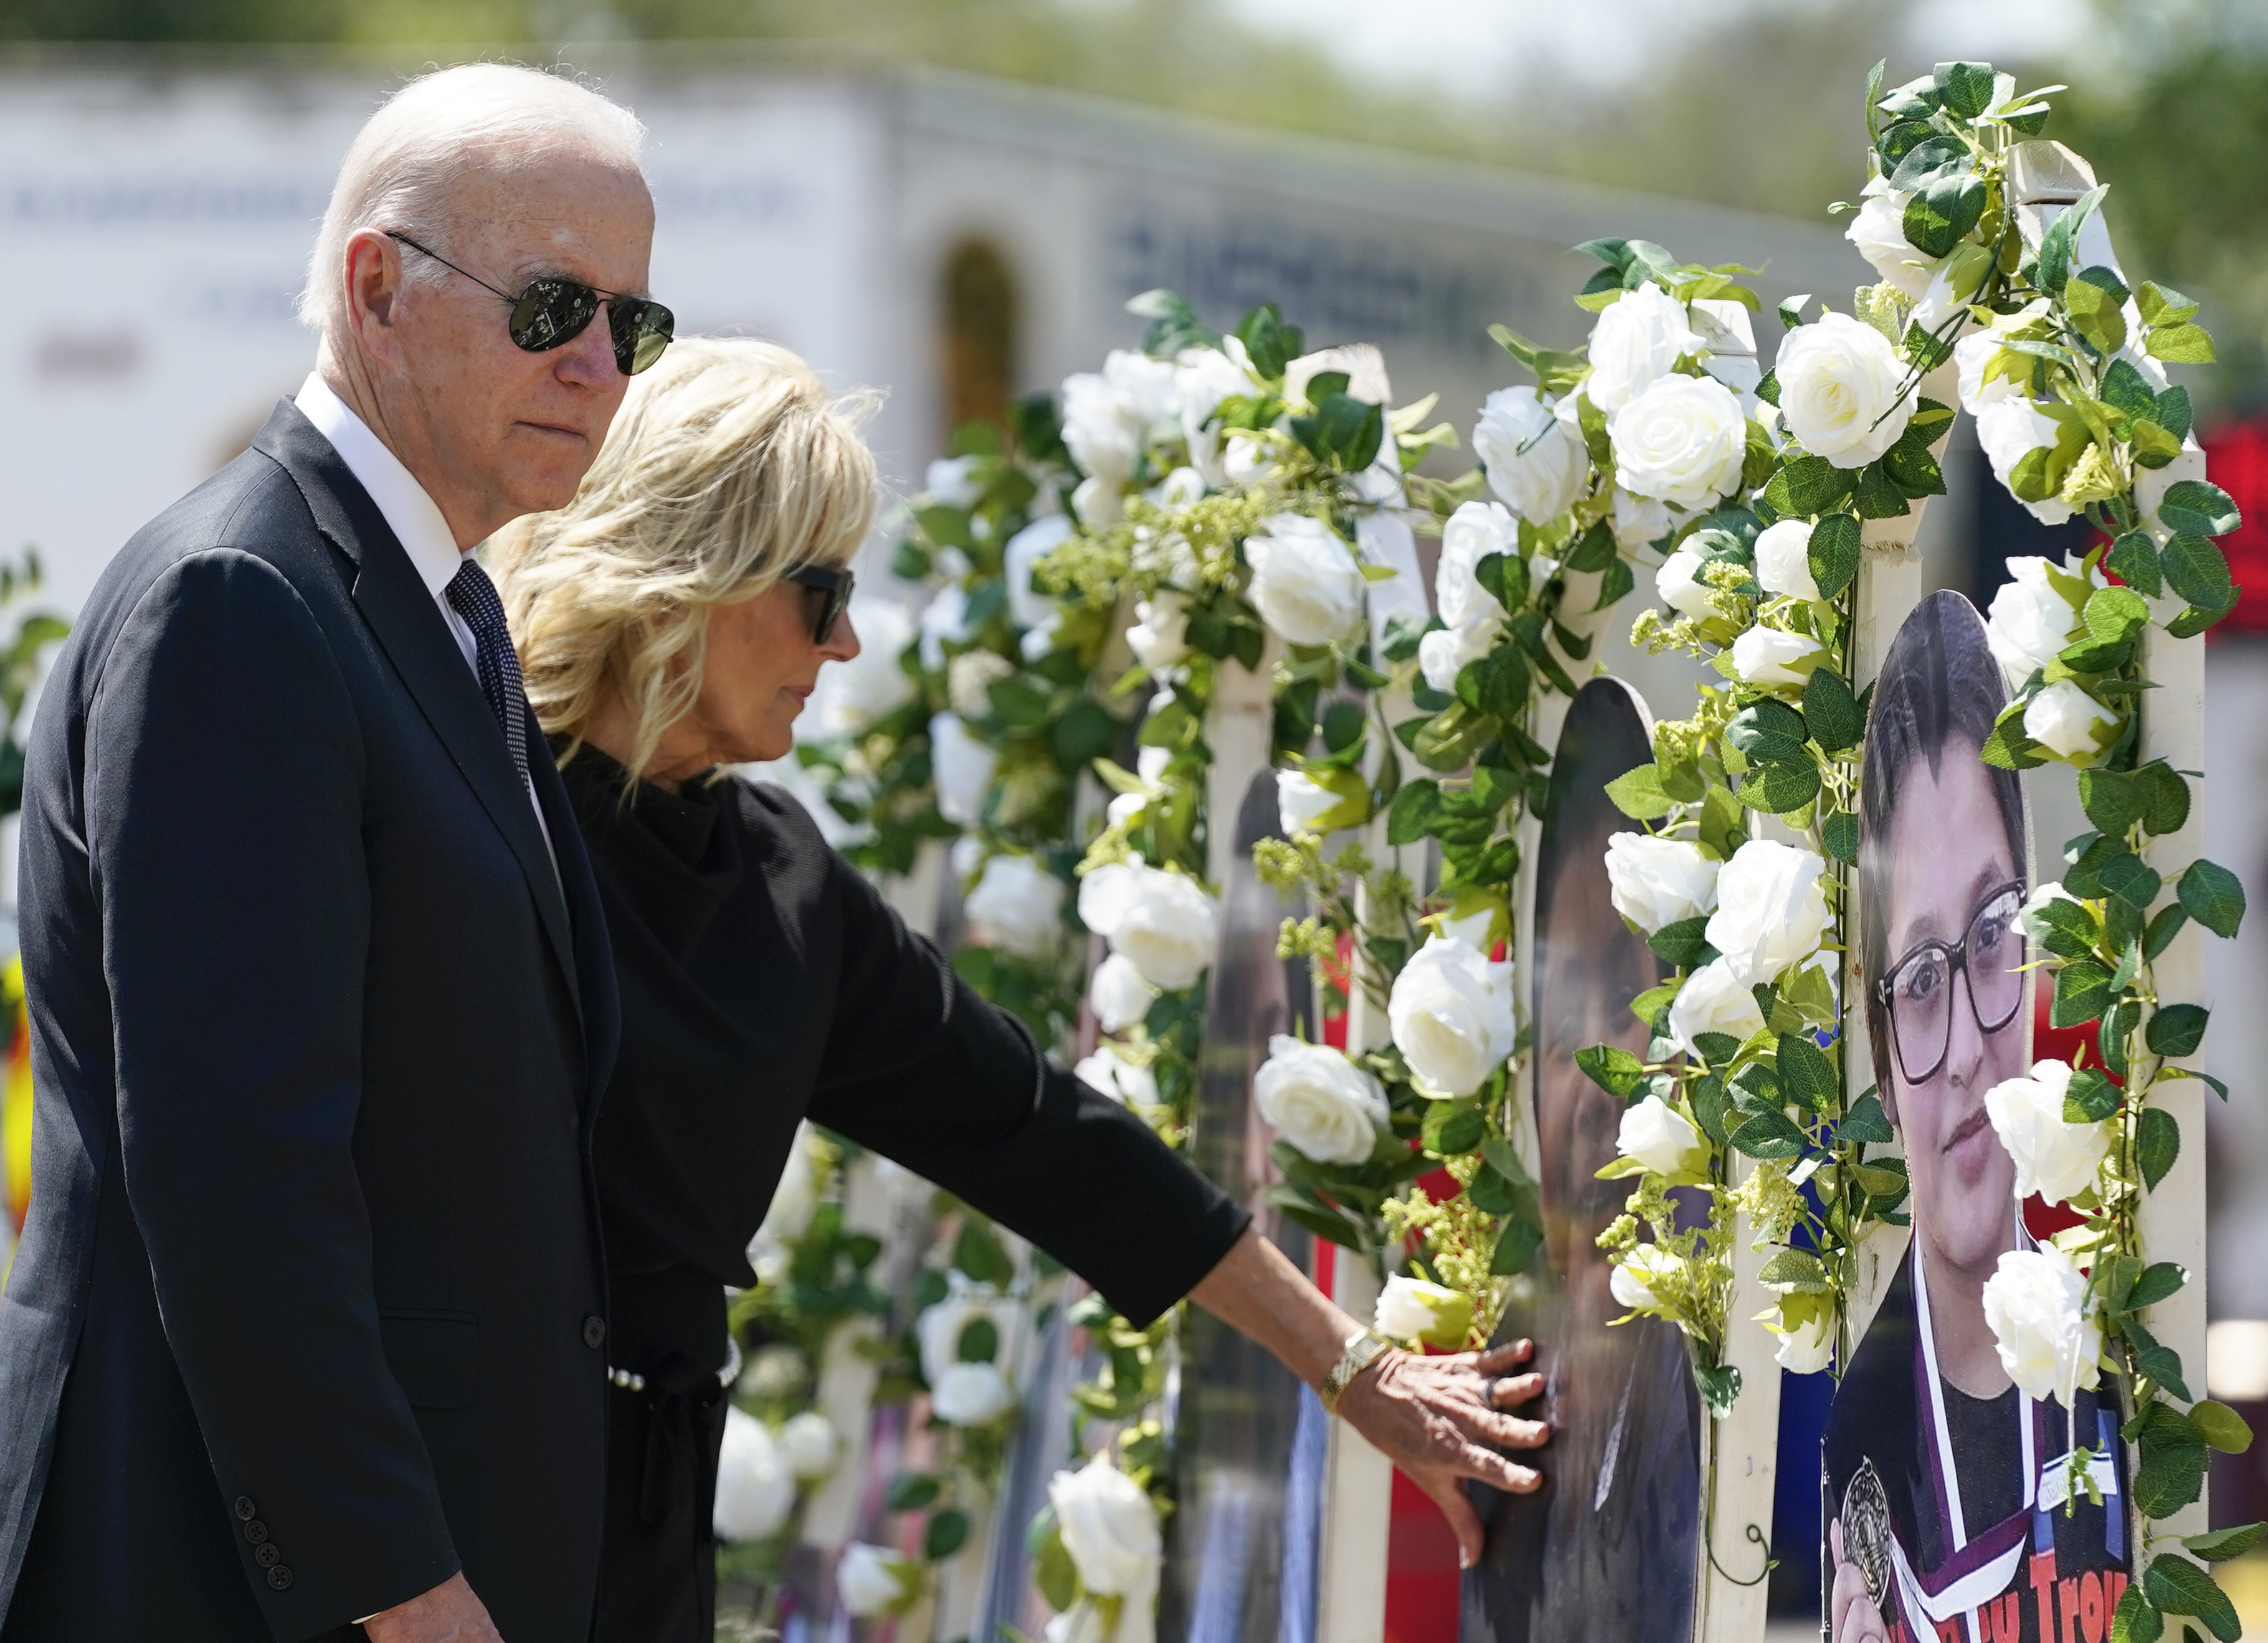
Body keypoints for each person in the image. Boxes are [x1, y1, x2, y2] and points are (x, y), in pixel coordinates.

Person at [488, 336, 1554, 1642]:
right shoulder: (471, 813)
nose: (846, 639)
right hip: (439, 1521)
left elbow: (1045, 1136)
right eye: (819, 590)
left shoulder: (780, 882)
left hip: (645, 1527)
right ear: (691, 572)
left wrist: (1356, 1367)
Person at [0, 65, 661, 1643]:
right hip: (222, 1579)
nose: (600, 364)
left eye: (632, 323)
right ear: (376, 286)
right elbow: (236, 1168)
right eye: (551, 306)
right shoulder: (243, 607)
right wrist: (399, 1585)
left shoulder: (434, 614)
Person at [1823, 592, 2129, 1643]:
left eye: (1994, 930)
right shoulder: (1864, 1419)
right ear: (1875, 1039)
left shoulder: (2124, 1343)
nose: (1960, 1048)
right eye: (1916, 977)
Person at [1463, 678, 1699, 1643]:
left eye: (1634, 1006)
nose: (1600, 1081)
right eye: (1568, 1019)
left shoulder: (1731, 1425)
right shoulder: (1507, 1429)